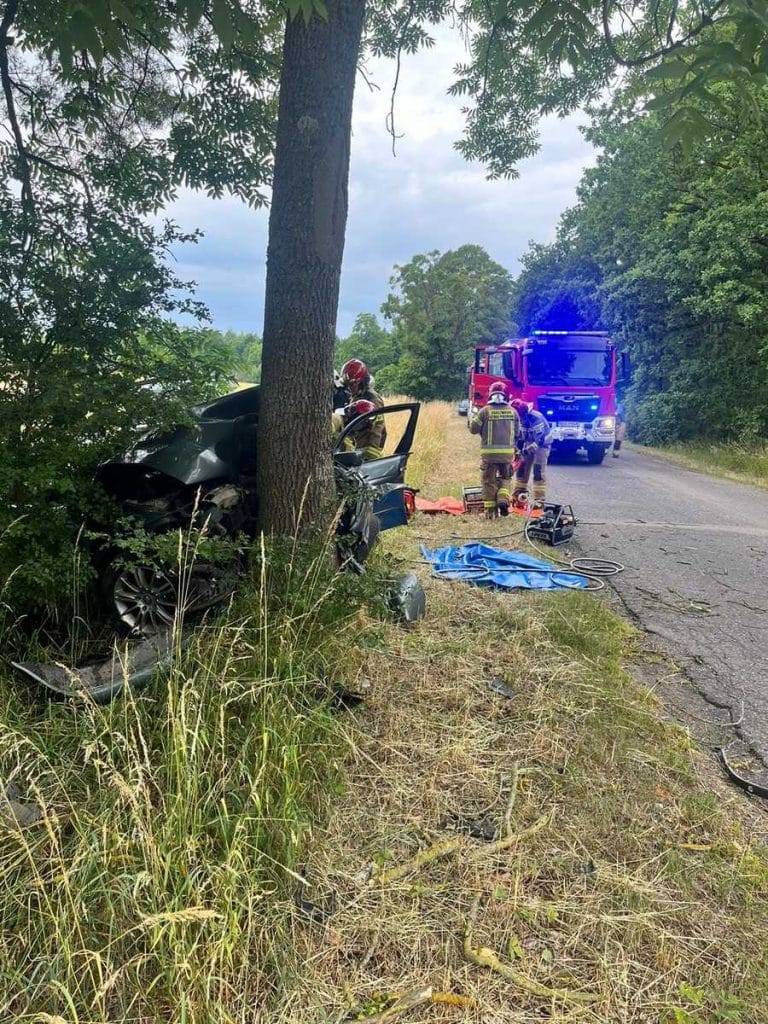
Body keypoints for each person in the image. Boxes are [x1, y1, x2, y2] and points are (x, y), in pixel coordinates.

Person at [468, 382, 521, 519]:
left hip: (489, 456)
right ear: (505, 395)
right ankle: (503, 500)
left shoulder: (485, 411)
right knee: (506, 478)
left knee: (488, 481)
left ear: (490, 394)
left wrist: (471, 417)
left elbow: (473, 429)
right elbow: (518, 433)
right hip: (507, 455)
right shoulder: (513, 412)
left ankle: (490, 513)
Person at [338, 358, 386, 456]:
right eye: (347, 385)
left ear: (362, 381)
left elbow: (378, 427)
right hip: (357, 445)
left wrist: (371, 452)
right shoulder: (356, 396)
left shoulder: (372, 398)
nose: (349, 388)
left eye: (352, 385)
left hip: (367, 447)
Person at [510, 399, 552, 508]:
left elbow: (538, 441)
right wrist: (518, 451)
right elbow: (519, 438)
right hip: (529, 442)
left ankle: (539, 500)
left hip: (542, 444)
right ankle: (519, 494)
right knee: (522, 468)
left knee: (538, 471)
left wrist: (526, 450)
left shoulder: (536, 418)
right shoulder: (517, 418)